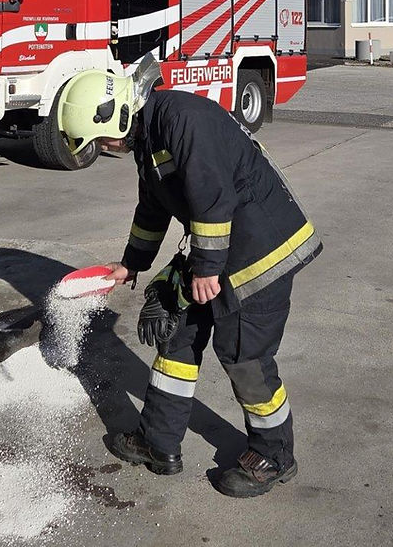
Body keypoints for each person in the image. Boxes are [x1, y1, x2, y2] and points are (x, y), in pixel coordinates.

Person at [56, 55, 322, 498]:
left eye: (101, 141)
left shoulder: (182, 122)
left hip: (262, 252)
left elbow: (214, 201)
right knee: (177, 332)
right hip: (220, 249)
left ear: (117, 117)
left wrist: (206, 270)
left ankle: (276, 455)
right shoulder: (151, 134)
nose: (103, 149)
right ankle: (159, 444)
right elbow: (154, 207)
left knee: (244, 356)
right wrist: (132, 264)